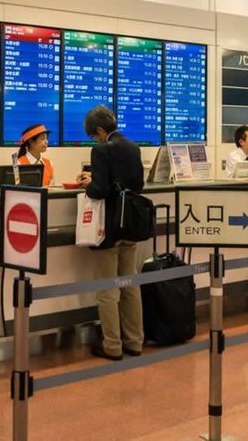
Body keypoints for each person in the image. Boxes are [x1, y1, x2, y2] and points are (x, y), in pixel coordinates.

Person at [75, 105, 145, 361]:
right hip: (131, 226)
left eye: (94, 135)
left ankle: (113, 346)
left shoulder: (102, 149)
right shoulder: (133, 147)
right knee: (130, 285)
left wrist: (89, 183)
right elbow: (136, 183)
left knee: (107, 289)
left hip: (109, 228)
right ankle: (135, 342)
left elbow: (99, 191)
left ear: (100, 130)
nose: (95, 139)